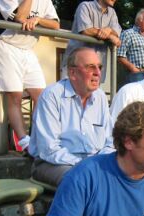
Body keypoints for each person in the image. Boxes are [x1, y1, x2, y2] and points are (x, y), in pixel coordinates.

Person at [28, 47, 114, 187]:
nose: (98, 73)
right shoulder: (52, 96)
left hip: (93, 162)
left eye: (99, 67)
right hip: (53, 164)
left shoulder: (100, 97)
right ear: (72, 73)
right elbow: (48, 149)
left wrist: (101, 162)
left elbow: (110, 141)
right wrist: (88, 165)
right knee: (83, 180)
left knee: (125, 174)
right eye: (90, 67)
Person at [0, 0, 59, 151]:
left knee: (42, 97)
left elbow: (55, 24)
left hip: (27, 49)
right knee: (15, 96)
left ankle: (39, 138)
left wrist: (39, 19)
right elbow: (20, 17)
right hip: (5, 45)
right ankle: (24, 141)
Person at [60, 0, 121, 83]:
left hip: (96, 67)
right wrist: (109, 36)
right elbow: (86, 30)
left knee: (91, 95)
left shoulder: (112, 12)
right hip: (77, 65)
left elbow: (117, 32)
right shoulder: (85, 6)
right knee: (69, 94)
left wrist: (109, 29)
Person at [117, 8, 144, 84]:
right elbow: (120, 55)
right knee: (136, 96)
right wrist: (133, 69)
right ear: (139, 20)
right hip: (136, 74)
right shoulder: (127, 34)